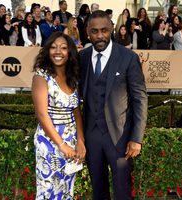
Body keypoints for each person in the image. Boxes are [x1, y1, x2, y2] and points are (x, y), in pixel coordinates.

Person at [79, 10, 148, 200]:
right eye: (94, 31)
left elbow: (140, 98)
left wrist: (136, 138)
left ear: (112, 29)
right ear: (87, 32)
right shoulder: (82, 58)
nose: (100, 35)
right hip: (91, 136)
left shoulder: (128, 58)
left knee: (122, 191)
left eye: (104, 30)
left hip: (120, 137)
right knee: (97, 190)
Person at [32, 31, 86, 199]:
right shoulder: (41, 77)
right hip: (49, 143)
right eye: (53, 47)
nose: (58, 52)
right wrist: (61, 145)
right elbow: (42, 115)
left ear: (69, 52)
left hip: (71, 143)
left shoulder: (72, 78)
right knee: (48, 191)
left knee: (66, 190)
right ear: (47, 50)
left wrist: (81, 141)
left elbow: (76, 112)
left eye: (63, 48)